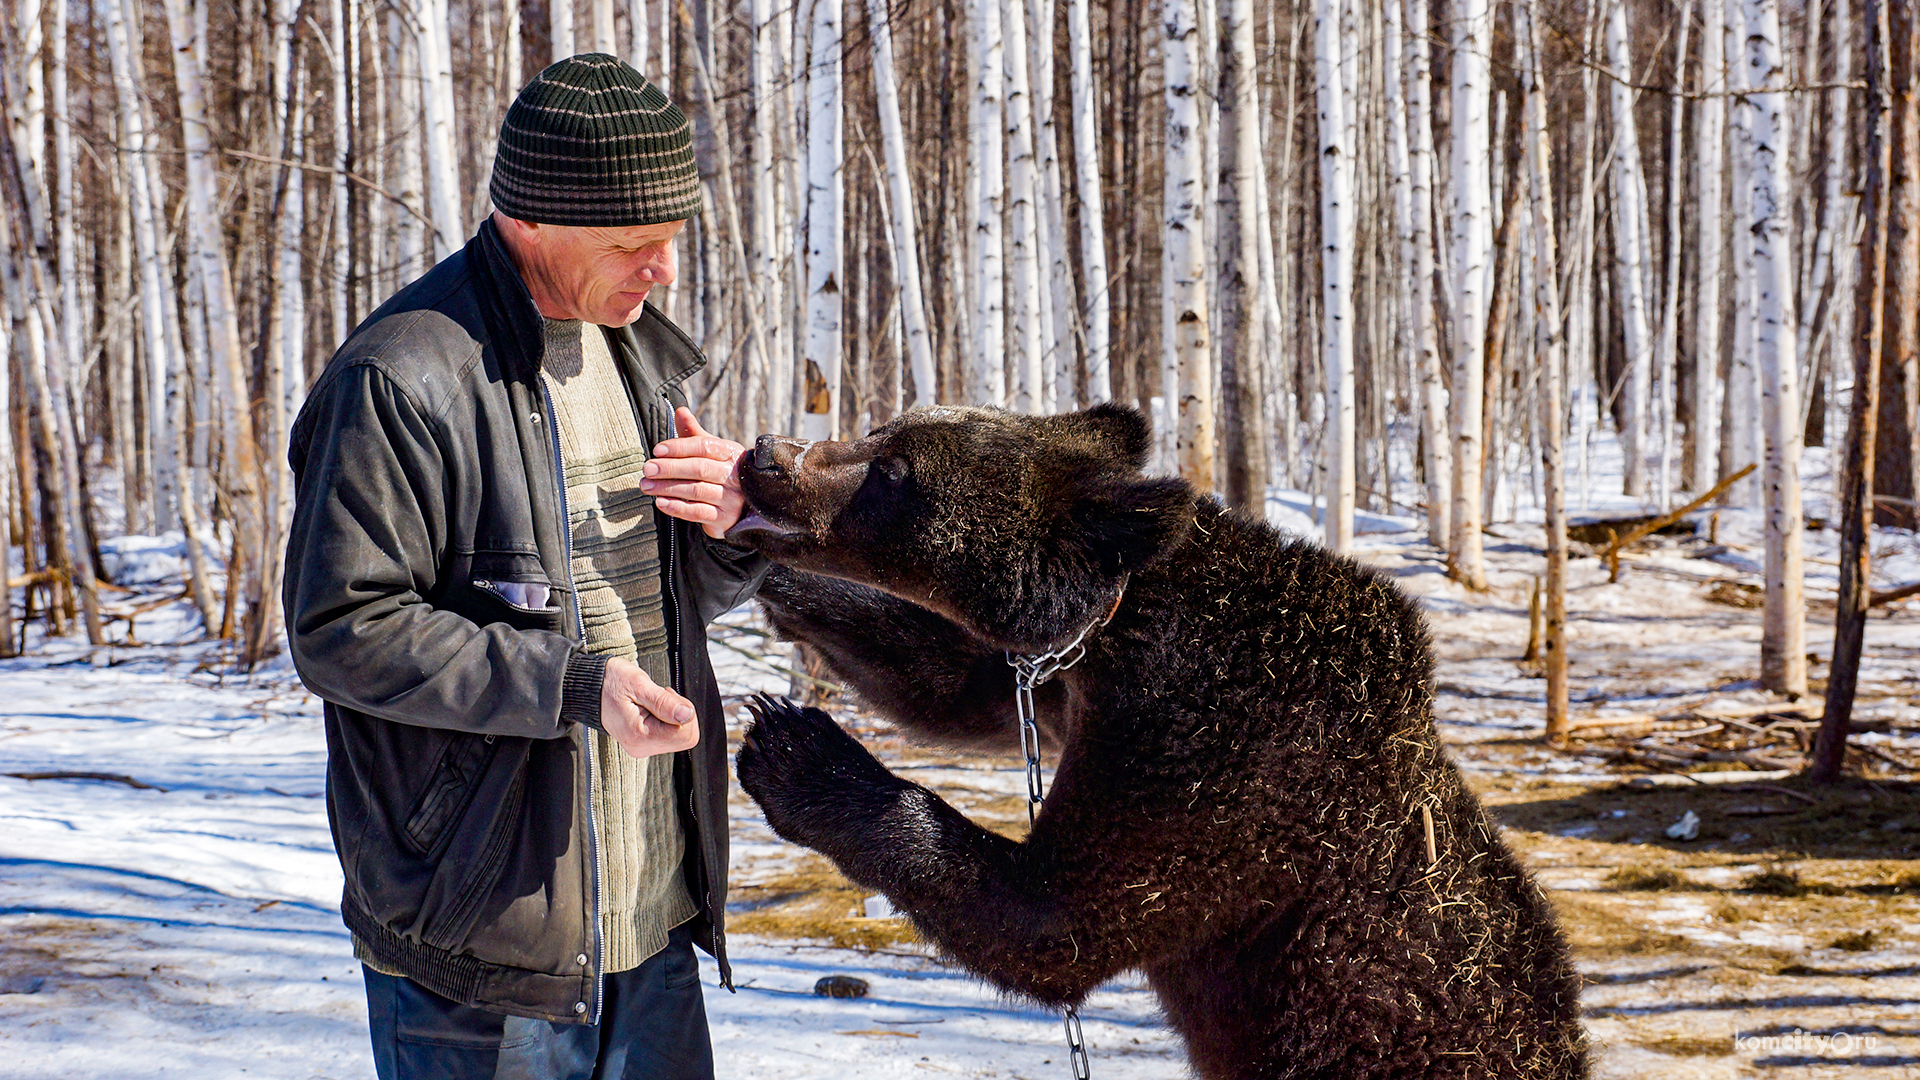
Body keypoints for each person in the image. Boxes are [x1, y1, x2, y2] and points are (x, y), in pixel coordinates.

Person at [284, 54, 759, 1080]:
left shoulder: (633, 350)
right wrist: (574, 684)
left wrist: (732, 531)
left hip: (651, 914)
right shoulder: (401, 379)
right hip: (482, 946)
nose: (663, 270)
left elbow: (661, 603)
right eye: (634, 243)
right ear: (530, 221)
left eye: (671, 240)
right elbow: (342, 628)